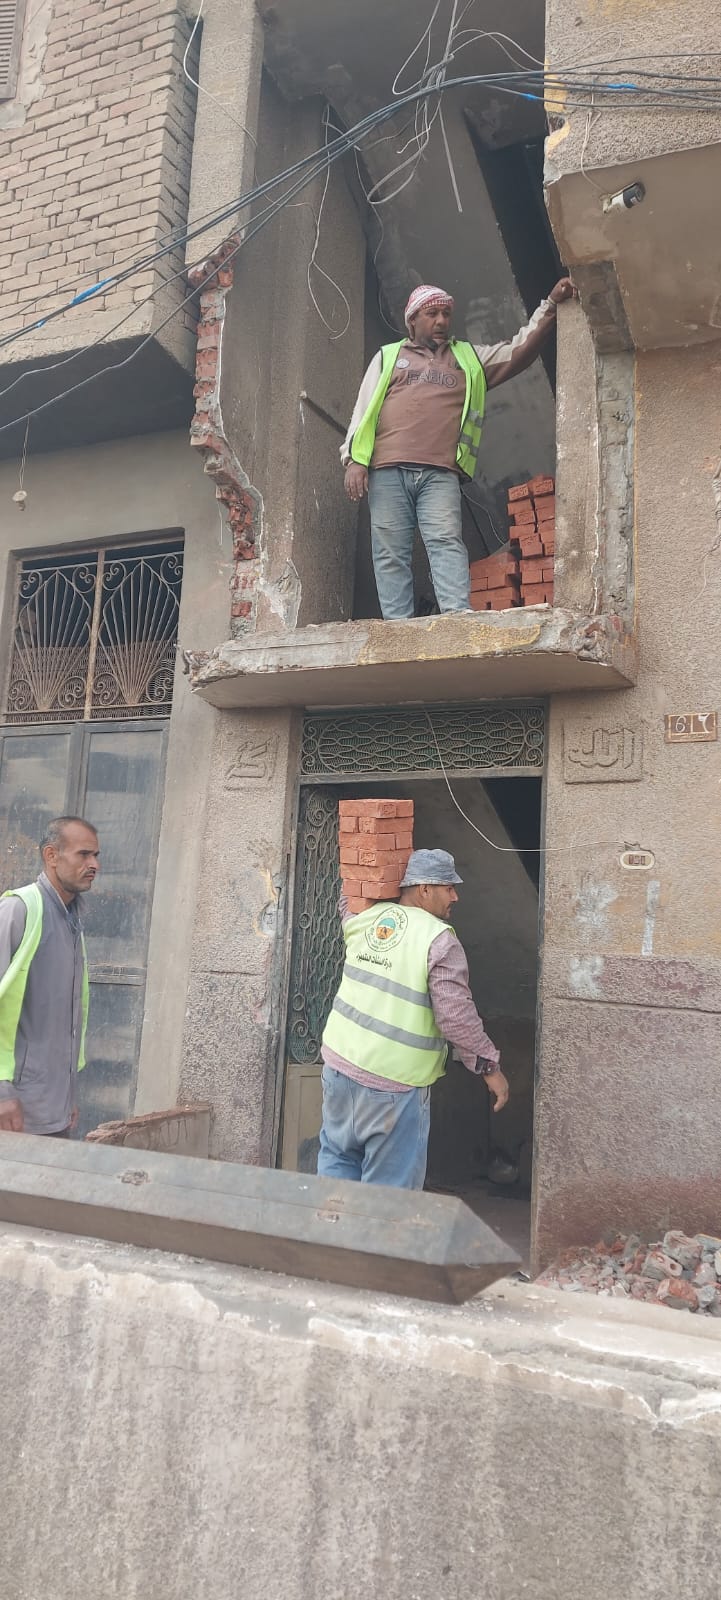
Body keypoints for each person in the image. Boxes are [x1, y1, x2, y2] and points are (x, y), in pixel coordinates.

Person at [341, 277, 576, 618]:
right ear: (412, 320)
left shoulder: (467, 358)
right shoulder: (388, 357)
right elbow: (363, 411)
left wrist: (550, 305)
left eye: (446, 314)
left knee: (446, 541)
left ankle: (456, 615)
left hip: (440, 474)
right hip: (388, 471)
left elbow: (518, 351)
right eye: (432, 314)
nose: (441, 321)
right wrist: (354, 460)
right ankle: (397, 626)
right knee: (390, 551)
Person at [318, 848, 508, 1189]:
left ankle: (331, 1224)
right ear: (424, 889)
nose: (455, 896)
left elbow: (349, 892)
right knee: (388, 1193)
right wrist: (489, 1068)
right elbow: (455, 1017)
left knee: (337, 1162)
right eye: (448, 887)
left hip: (338, 1070)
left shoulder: (363, 917)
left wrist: (371, 857)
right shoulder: (439, 941)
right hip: (393, 1086)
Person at [0, 816, 100, 1137]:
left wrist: (67, 1097)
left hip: (53, 1109)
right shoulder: (19, 910)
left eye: (96, 855)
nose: (94, 864)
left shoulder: (72, 920)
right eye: (84, 854)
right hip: (13, 1110)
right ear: (51, 856)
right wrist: (2, 1093)